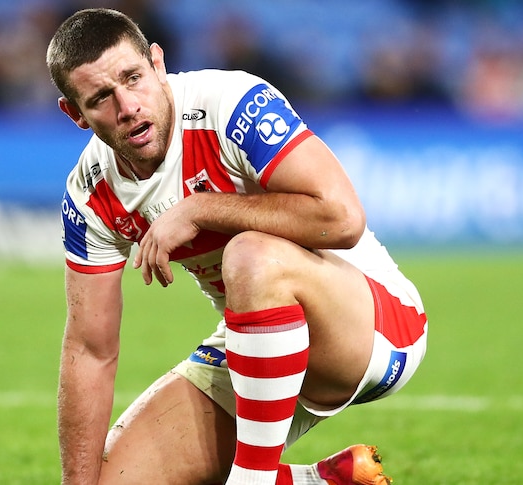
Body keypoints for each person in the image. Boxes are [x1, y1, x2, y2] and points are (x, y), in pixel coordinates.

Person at [46, 8, 428, 485]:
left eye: (133, 78)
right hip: (256, 346)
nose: (128, 107)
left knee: (249, 255)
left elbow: (342, 218)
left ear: (158, 62)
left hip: (372, 328)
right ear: (75, 113)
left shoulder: (230, 103)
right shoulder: (90, 192)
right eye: (101, 97)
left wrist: (201, 209)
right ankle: (319, 481)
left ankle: (253, 481)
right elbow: (89, 349)